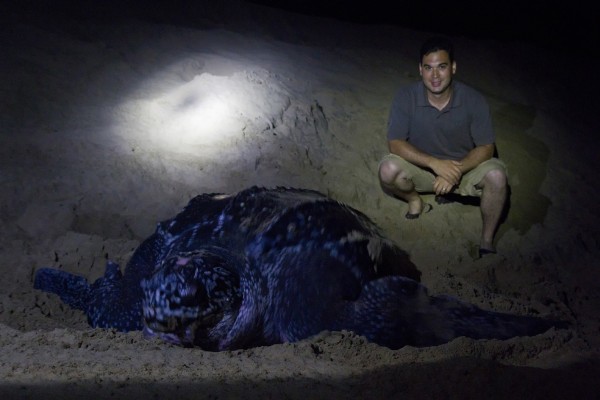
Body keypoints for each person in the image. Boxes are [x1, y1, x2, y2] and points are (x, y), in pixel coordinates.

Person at [378, 36, 508, 257]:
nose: (435, 75)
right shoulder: (405, 97)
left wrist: (454, 172)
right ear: (420, 69)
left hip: (463, 169)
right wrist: (434, 164)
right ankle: (415, 201)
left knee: (497, 177)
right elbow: (395, 143)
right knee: (388, 170)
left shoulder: (474, 100)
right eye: (428, 68)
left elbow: (486, 147)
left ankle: (487, 241)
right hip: (425, 170)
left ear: (454, 67)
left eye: (442, 67)